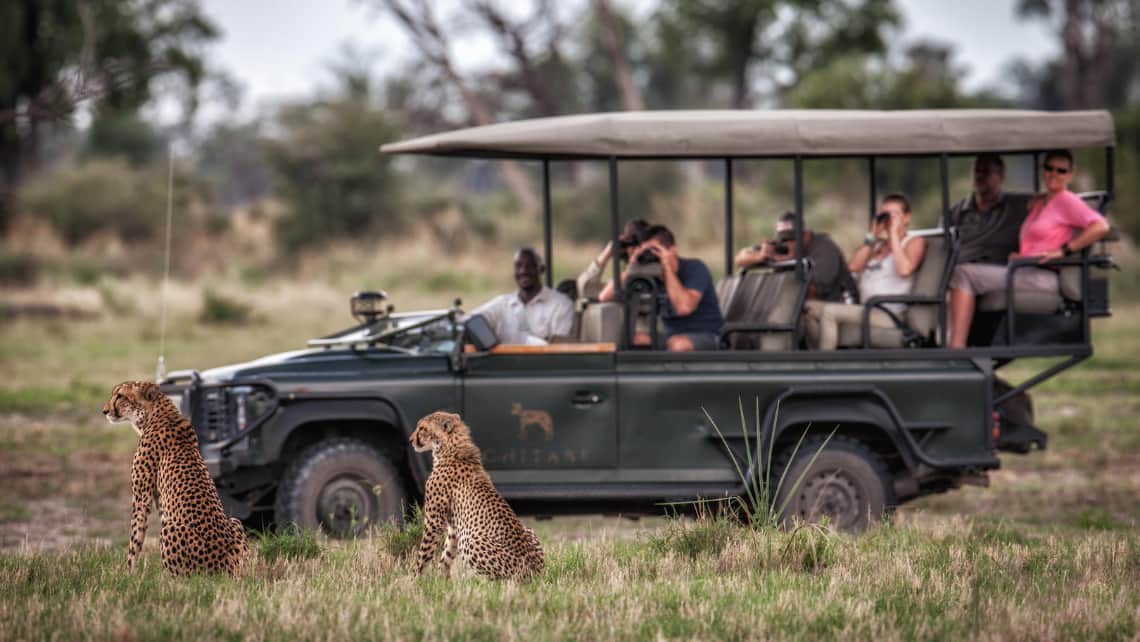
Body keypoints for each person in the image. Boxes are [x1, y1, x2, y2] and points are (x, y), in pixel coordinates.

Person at [947, 150, 1110, 348]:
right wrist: (1021, 256)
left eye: (1061, 170)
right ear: (1043, 170)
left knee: (963, 274)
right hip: (1024, 270)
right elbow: (1037, 239)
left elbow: (1101, 226)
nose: (1054, 174)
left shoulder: (1066, 201)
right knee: (959, 273)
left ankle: (956, 348)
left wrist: (1064, 250)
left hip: (1043, 276)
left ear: (1070, 174)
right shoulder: (1040, 203)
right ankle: (955, 342)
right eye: (1049, 168)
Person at [803, 194, 927, 350]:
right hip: (865, 308)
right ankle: (816, 358)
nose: (889, 220)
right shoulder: (877, 245)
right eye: (885, 215)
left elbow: (904, 270)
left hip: (889, 312)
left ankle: (826, 366)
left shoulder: (914, 242)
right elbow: (853, 266)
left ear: (907, 218)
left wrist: (894, 234)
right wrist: (872, 235)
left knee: (829, 312)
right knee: (808, 308)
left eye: (894, 215)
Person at [602, 225, 723, 351]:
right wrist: (632, 266)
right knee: (634, 339)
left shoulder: (695, 268)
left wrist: (667, 268)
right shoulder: (651, 275)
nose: (652, 255)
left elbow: (684, 307)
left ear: (672, 250)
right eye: (646, 251)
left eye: (655, 250)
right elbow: (605, 296)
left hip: (708, 335)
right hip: (671, 337)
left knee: (678, 345)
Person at [733, 212, 857, 303]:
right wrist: (760, 256)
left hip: (836, 302)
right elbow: (739, 259)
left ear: (806, 235)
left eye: (793, 238)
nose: (788, 243)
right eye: (783, 239)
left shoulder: (824, 247)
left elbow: (814, 291)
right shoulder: (779, 247)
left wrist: (790, 263)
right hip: (799, 304)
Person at [470, 248, 574, 345]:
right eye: (518, 266)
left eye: (530, 266)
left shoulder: (561, 304)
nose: (523, 271)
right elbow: (471, 320)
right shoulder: (503, 303)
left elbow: (559, 349)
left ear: (542, 269)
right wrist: (489, 342)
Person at [947, 154, 1032, 266]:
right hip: (960, 270)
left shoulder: (1018, 206)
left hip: (1000, 273)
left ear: (1001, 176)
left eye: (986, 171)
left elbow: (1050, 203)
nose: (979, 176)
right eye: (976, 171)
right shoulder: (955, 213)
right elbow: (942, 249)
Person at [577, 219, 650, 301]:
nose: (636, 251)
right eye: (633, 245)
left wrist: (606, 253)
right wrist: (607, 252)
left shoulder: (658, 271)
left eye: (640, 246)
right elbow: (586, 289)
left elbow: (592, 292)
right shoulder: (624, 279)